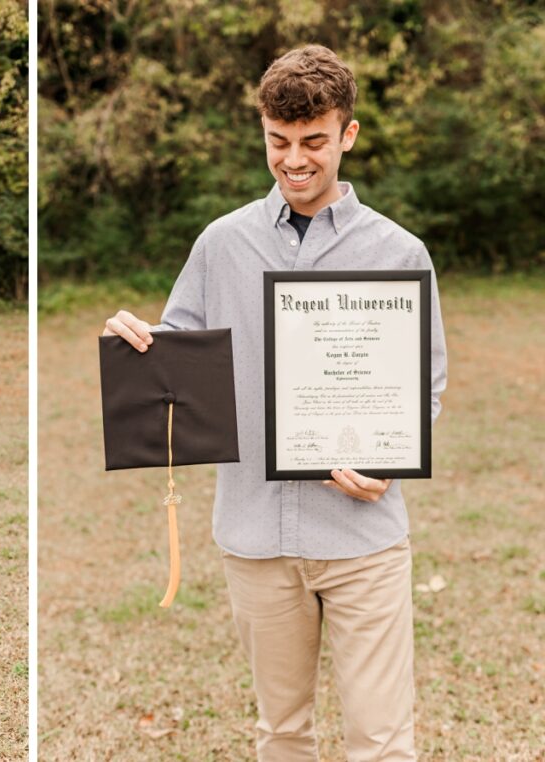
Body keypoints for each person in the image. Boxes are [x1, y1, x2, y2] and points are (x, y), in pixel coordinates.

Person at [103, 46, 447, 760]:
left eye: (314, 142)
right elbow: (180, 351)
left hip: (363, 538)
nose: (294, 160)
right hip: (255, 535)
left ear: (347, 134)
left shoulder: (399, 252)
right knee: (282, 734)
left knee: (381, 740)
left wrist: (390, 459)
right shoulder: (220, 243)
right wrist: (138, 340)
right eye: (278, 142)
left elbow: (426, 380)